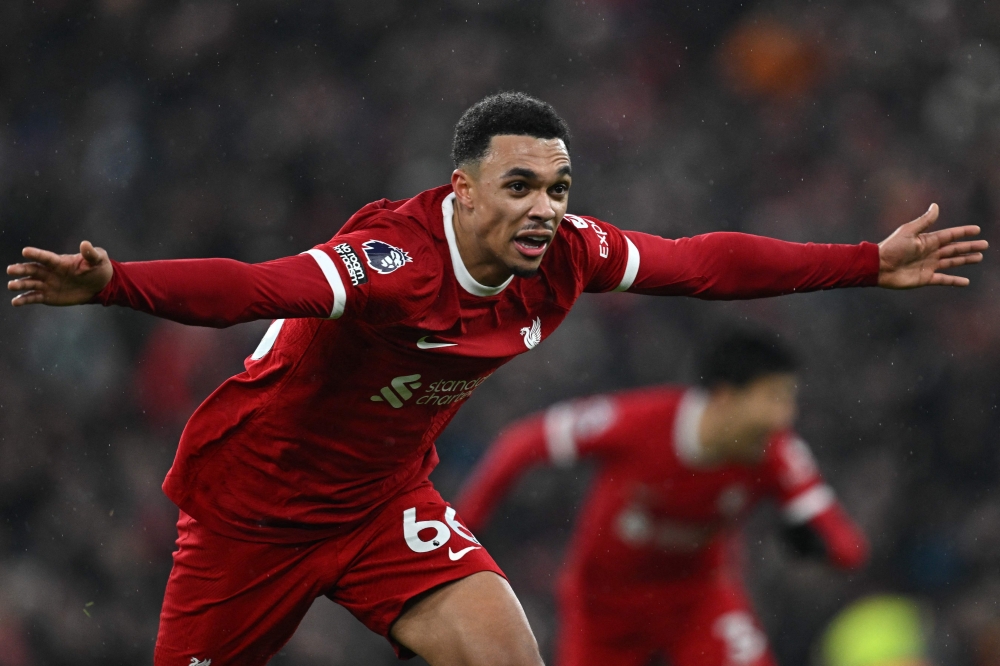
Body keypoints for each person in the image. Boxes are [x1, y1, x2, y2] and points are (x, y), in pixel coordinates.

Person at [5, 92, 986, 666]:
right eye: (520, 186)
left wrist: (866, 260)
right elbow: (252, 287)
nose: (547, 209)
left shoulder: (565, 255)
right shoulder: (393, 264)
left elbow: (701, 264)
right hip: (251, 515)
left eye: (559, 188)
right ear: (462, 189)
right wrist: (115, 284)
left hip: (382, 505)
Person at [455, 330, 870, 666]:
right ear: (726, 397)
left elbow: (848, 545)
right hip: (603, 608)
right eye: (775, 398)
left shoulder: (775, 452)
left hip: (697, 602)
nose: (786, 416)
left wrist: (820, 546)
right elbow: (520, 443)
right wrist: (463, 532)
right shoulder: (638, 423)